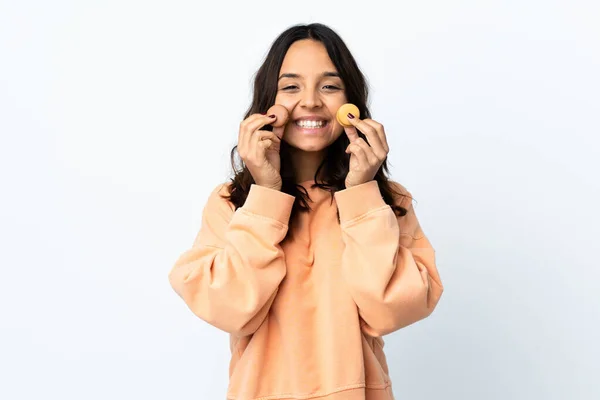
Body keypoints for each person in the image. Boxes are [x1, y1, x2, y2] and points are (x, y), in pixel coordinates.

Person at [168, 22, 444, 400]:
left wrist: (363, 191)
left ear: (352, 103)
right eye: (291, 86)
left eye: (329, 86)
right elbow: (229, 308)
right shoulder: (232, 202)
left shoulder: (387, 202)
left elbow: (391, 310)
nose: (311, 101)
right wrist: (265, 192)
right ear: (268, 102)